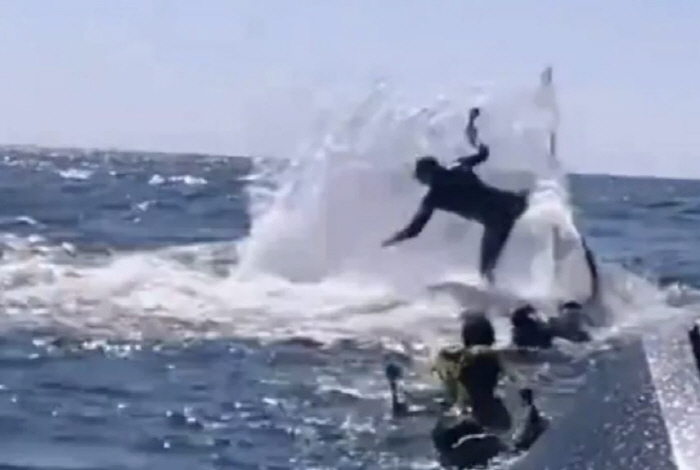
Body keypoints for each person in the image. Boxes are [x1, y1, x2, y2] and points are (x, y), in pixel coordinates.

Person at [381, 107, 528, 283]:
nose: (422, 181)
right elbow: (483, 152)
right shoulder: (458, 166)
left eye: (421, 177)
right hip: (512, 203)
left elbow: (414, 230)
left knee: (486, 271)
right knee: (487, 269)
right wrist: (472, 127)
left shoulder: (434, 196)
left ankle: (498, 303)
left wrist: (390, 241)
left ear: (428, 173)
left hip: (497, 218)